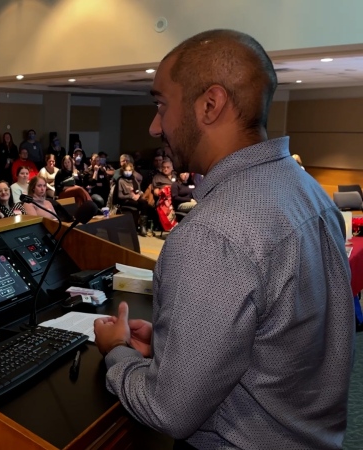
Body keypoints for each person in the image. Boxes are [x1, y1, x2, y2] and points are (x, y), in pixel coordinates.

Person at [93, 29, 353, 449]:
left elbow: (168, 410)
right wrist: (171, 346)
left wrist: (117, 352)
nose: (155, 125)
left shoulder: (212, 236)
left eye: (161, 105)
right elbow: (279, 340)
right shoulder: (308, 193)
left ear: (210, 105)